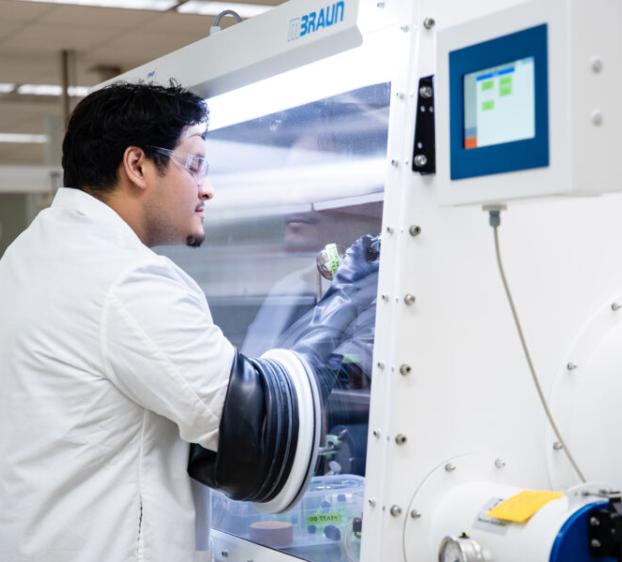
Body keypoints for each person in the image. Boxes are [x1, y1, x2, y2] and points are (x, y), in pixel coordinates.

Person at [0, 82, 378, 562]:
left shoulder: (30, 253)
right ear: (137, 166)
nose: (208, 187)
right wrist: (341, 303)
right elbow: (260, 430)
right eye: (194, 163)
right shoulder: (124, 279)